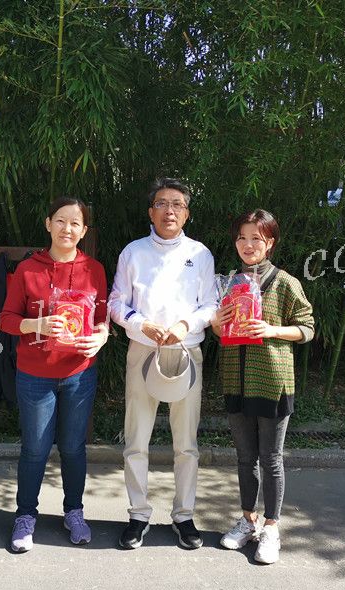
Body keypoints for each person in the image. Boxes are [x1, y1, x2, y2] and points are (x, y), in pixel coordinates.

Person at [109, 177, 218, 550]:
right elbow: (116, 302)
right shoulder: (133, 252)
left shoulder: (200, 254)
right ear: (150, 211)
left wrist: (185, 325)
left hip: (186, 351)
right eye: (162, 203)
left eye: (177, 204)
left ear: (186, 213)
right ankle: (138, 515)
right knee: (136, 439)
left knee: (186, 443)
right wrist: (142, 325)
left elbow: (210, 304)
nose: (169, 210)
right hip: (143, 350)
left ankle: (184, 516)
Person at [0, 197, 109, 553]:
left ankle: (74, 512)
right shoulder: (28, 269)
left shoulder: (95, 269)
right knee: (35, 449)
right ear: (48, 224)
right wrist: (38, 324)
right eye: (61, 221)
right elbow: (6, 320)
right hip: (35, 374)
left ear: (84, 230)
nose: (67, 229)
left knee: (74, 448)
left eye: (75, 223)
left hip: (79, 373)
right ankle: (25, 516)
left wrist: (102, 337)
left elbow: (102, 318)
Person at [211, 209, 314, 564]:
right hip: (235, 378)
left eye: (256, 238)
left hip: (272, 380)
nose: (248, 244)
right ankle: (248, 520)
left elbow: (307, 328)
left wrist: (272, 330)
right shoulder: (229, 283)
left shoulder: (285, 282)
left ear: (270, 243)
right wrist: (218, 322)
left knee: (270, 458)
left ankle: (271, 527)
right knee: (244, 457)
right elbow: (218, 329)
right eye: (242, 237)